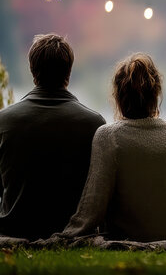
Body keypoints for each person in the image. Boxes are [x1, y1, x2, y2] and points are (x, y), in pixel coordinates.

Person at [62, 53, 166, 243]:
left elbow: (92, 208)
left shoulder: (109, 136)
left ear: (118, 95)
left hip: (128, 239)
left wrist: (66, 235)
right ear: (156, 94)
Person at [0, 34, 106, 240]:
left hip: (14, 231)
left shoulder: (4, 121)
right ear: (69, 71)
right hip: (71, 233)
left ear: (32, 70)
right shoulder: (95, 125)